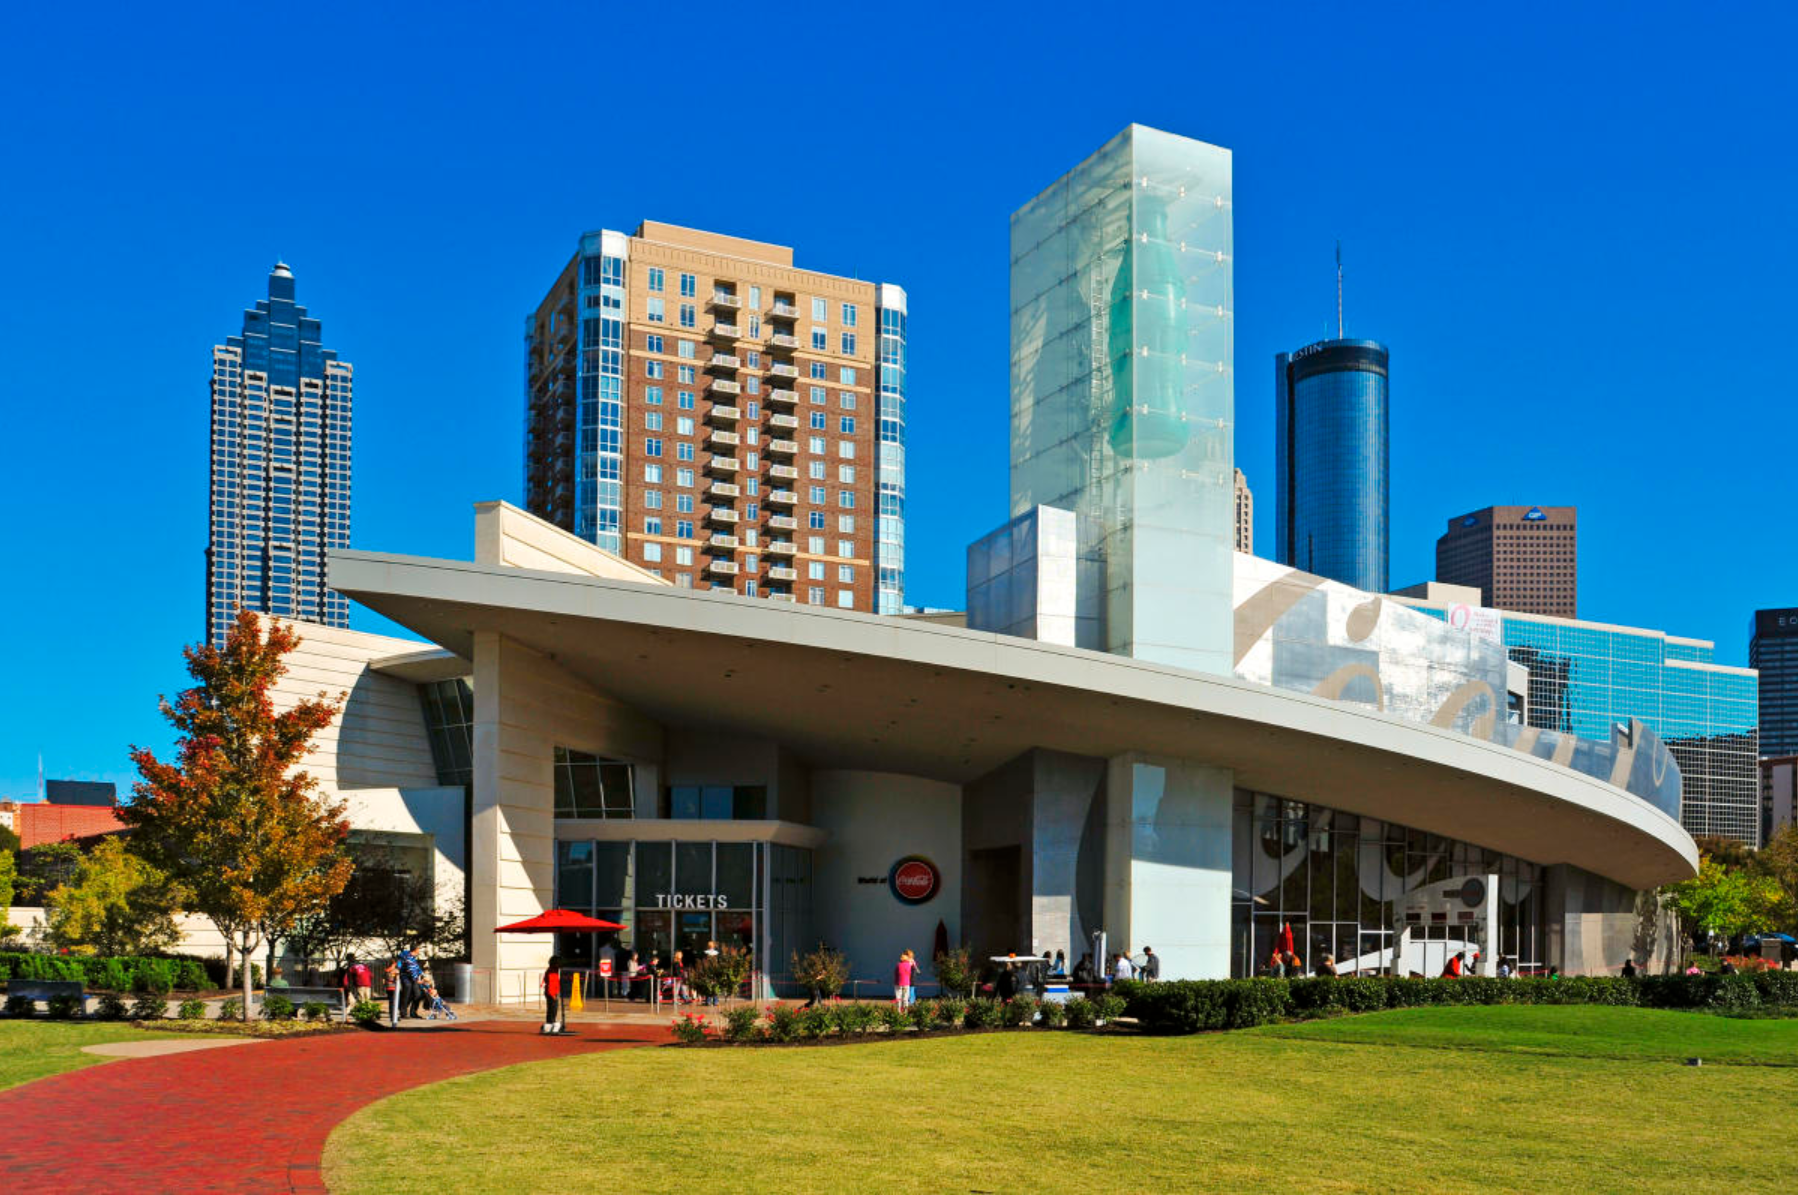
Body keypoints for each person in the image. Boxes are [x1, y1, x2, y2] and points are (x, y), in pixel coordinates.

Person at [541, 954, 562, 1034]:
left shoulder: (553, 970)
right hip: (551, 993)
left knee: (551, 1010)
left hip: (551, 992)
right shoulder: (552, 971)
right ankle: (550, 1024)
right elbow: (551, 984)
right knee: (552, 1010)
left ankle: (549, 1024)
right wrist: (553, 995)